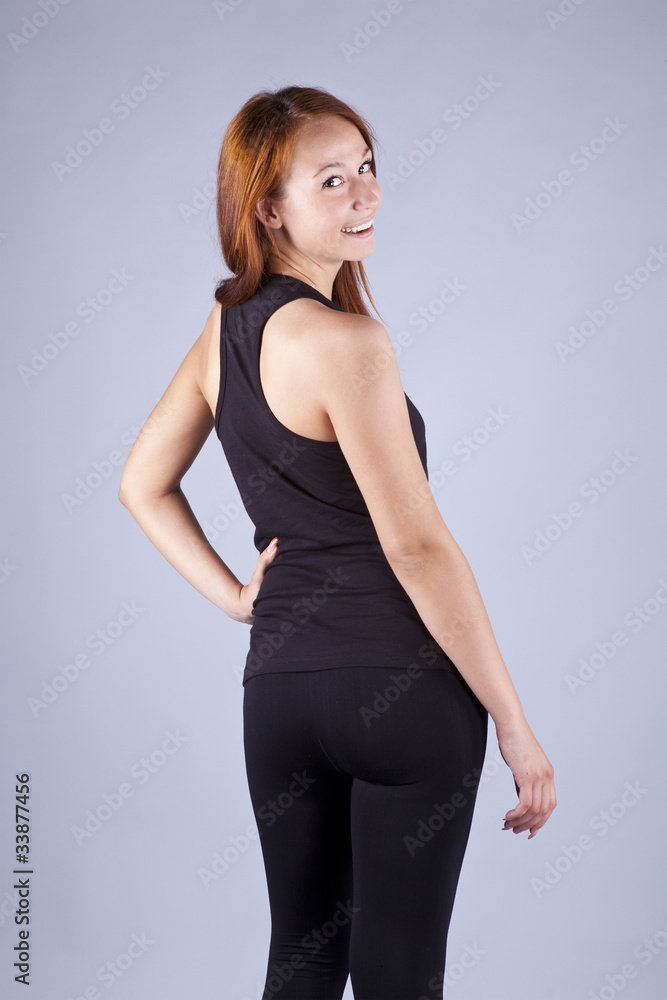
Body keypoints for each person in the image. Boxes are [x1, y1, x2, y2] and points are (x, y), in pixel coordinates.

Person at [118, 84, 556, 1000]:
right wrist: (514, 726)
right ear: (267, 210)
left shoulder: (222, 331)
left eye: (367, 169)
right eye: (332, 180)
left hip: (279, 699)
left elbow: (139, 484)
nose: (365, 194)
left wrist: (245, 599)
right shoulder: (349, 342)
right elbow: (417, 549)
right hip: (403, 697)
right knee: (399, 978)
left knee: (303, 961)